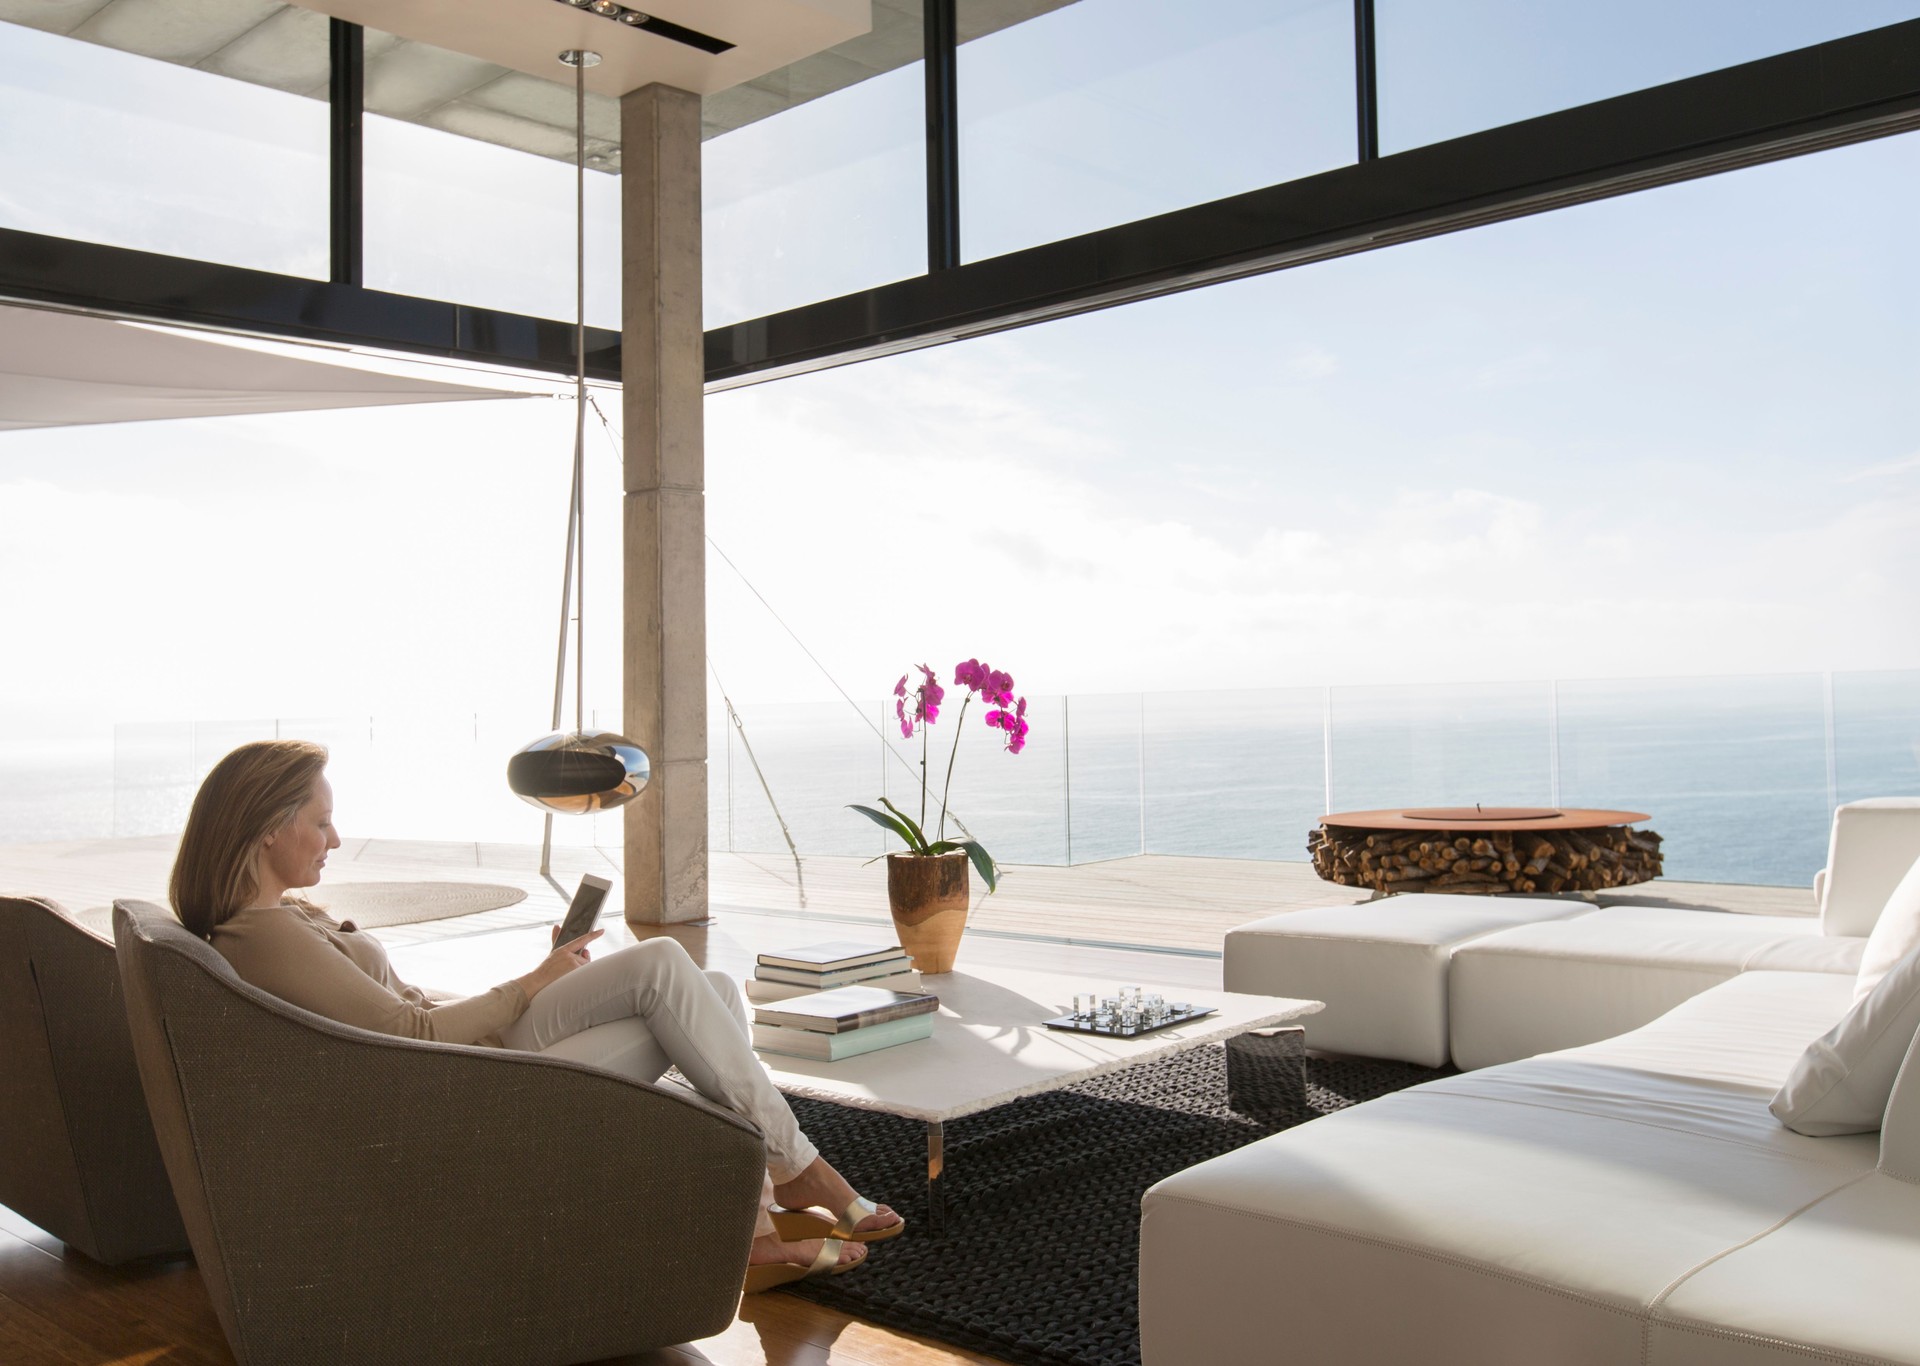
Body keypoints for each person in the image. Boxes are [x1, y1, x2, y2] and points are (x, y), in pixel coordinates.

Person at [168, 739, 901, 1292]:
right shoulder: (259, 934)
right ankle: (795, 1173)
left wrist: (535, 984)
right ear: (267, 826)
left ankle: (755, 1223)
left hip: (462, 1061)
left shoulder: (282, 917)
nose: (333, 839)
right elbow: (406, 1036)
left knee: (707, 987)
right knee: (671, 977)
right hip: (462, 1103)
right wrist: (531, 984)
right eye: (321, 822)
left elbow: (408, 1010)